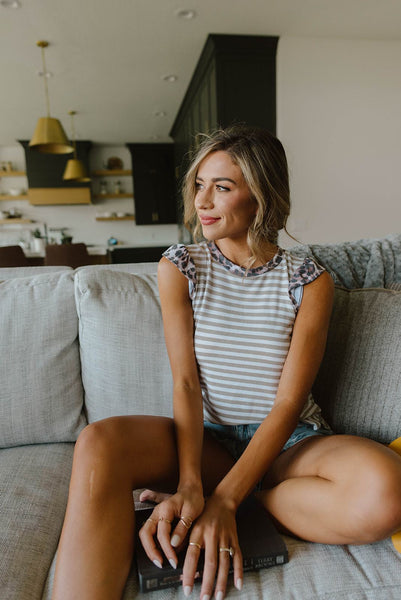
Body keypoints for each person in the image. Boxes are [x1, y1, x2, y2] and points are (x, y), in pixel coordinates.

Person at [52, 126, 401, 600]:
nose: (203, 201)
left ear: (259, 197)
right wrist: (191, 484)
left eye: (222, 187)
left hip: (287, 445)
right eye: (200, 184)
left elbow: (287, 402)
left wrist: (226, 500)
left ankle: (255, 501)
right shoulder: (181, 266)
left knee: (386, 489)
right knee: (99, 442)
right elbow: (185, 383)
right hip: (205, 441)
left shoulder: (310, 281)